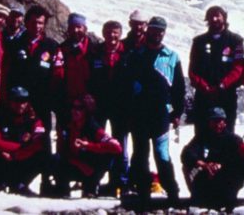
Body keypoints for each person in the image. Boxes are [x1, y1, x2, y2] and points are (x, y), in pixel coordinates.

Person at [124, 15, 185, 208]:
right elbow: (127, 85)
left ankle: (172, 193)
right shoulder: (136, 55)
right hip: (139, 113)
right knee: (141, 154)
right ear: (147, 30)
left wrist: (177, 113)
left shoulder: (172, 56)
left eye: (160, 31)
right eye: (153, 30)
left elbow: (179, 88)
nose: (156, 34)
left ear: (164, 33)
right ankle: (143, 194)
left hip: (161, 114)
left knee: (162, 154)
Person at [0, 86, 50, 195]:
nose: (20, 105)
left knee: (42, 155)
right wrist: (9, 149)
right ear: (10, 102)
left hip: (20, 161)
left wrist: (16, 154)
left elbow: (38, 143)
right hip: (3, 160)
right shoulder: (0, 117)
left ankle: (20, 183)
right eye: (17, 101)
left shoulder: (34, 120)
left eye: (23, 101)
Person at [188, 5, 244, 136]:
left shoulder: (235, 41)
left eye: (217, 15)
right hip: (203, 96)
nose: (214, 19)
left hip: (227, 95)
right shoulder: (199, 42)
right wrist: (204, 86)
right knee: (202, 133)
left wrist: (223, 84)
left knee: (227, 133)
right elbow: (192, 70)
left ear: (224, 17)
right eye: (211, 16)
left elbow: (238, 67)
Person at [5, 4, 62, 129]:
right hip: (18, 102)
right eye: (34, 22)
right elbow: (8, 72)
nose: (37, 26)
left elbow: (58, 75)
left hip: (42, 102)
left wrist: (51, 98)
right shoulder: (15, 44)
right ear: (26, 22)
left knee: (42, 139)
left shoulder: (52, 46)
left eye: (41, 23)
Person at [54, 94, 122, 197]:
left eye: (79, 108)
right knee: (55, 159)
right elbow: (63, 152)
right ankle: (63, 190)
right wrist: (79, 164)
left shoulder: (93, 127)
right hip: (78, 165)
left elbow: (117, 147)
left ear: (86, 111)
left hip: (91, 167)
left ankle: (91, 185)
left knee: (108, 155)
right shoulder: (68, 125)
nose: (74, 111)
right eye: (73, 107)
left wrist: (88, 146)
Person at [180, 107, 244, 210]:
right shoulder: (201, 138)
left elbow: (238, 159)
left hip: (226, 179)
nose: (217, 124)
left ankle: (228, 201)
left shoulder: (234, 140)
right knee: (187, 165)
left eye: (220, 121)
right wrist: (203, 164)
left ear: (224, 122)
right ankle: (198, 197)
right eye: (214, 121)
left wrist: (220, 166)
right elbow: (186, 153)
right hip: (206, 176)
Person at [89, 19, 128, 194]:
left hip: (120, 106)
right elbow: (88, 76)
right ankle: (93, 181)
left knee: (120, 144)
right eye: (109, 32)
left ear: (120, 34)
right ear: (103, 33)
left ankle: (118, 182)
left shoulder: (127, 52)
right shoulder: (95, 52)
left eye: (115, 32)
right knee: (97, 142)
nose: (112, 35)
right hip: (99, 105)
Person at [59, 13, 99, 110]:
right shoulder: (62, 48)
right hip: (68, 99)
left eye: (78, 27)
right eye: (72, 27)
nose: (75, 30)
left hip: (89, 99)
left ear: (85, 28)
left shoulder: (95, 48)